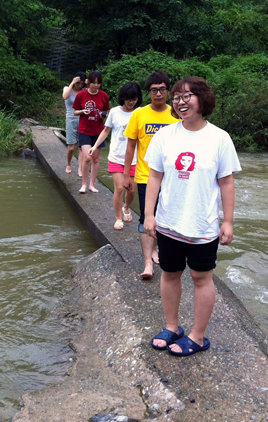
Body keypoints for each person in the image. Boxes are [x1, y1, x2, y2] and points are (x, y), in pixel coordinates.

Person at [145, 76, 241, 357]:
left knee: (201, 277)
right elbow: (154, 176)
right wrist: (149, 215)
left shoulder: (219, 138)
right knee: (170, 273)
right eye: (177, 97)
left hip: (201, 223)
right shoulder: (166, 135)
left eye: (187, 96)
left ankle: (198, 336)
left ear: (203, 100)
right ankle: (172, 326)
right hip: (169, 221)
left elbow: (227, 182)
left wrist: (228, 221)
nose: (180, 101)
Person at [122, 71, 179, 279]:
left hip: (172, 177)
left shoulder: (176, 114)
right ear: (148, 93)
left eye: (162, 89)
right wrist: (128, 174)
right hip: (147, 175)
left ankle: (156, 249)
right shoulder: (139, 114)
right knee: (147, 216)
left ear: (168, 91)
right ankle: (148, 263)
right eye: (154, 90)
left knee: (165, 218)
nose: (158, 94)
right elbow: (130, 147)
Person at [88, 82, 143, 230]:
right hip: (117, 156)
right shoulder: (114, 112)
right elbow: (106, 131)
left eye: (134, 99)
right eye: (128, 99)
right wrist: (95, 146)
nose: (131, 102)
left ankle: (127, 207)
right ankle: (118, 218)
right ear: (123, 98)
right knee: (119, 188)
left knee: (131, 190)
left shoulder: (141, 113)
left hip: (135, 158)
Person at [73, 71, 110, 194]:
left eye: (98, 83)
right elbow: (75, 112)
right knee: (88, 157)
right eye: (93, 83)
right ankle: (83, 184)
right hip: (84, 130)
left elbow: (107, 112)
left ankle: (92, 184)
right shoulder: (82, 95)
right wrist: (83, 111)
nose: (96, 85)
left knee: (96, 159)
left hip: (98, 131)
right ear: (88, 82)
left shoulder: (104, 95)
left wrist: (103, 114)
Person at [63, 72, 86, 175]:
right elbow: (65, 96)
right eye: (78, 83)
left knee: (81, 147)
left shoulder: (84, 92)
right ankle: (69, 164)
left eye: (82, 84)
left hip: (82, 118)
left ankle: (80, 169)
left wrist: (87, 82)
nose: (80, 86)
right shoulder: (67, 88)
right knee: (72, 147)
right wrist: (72, 83)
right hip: (71, 118)